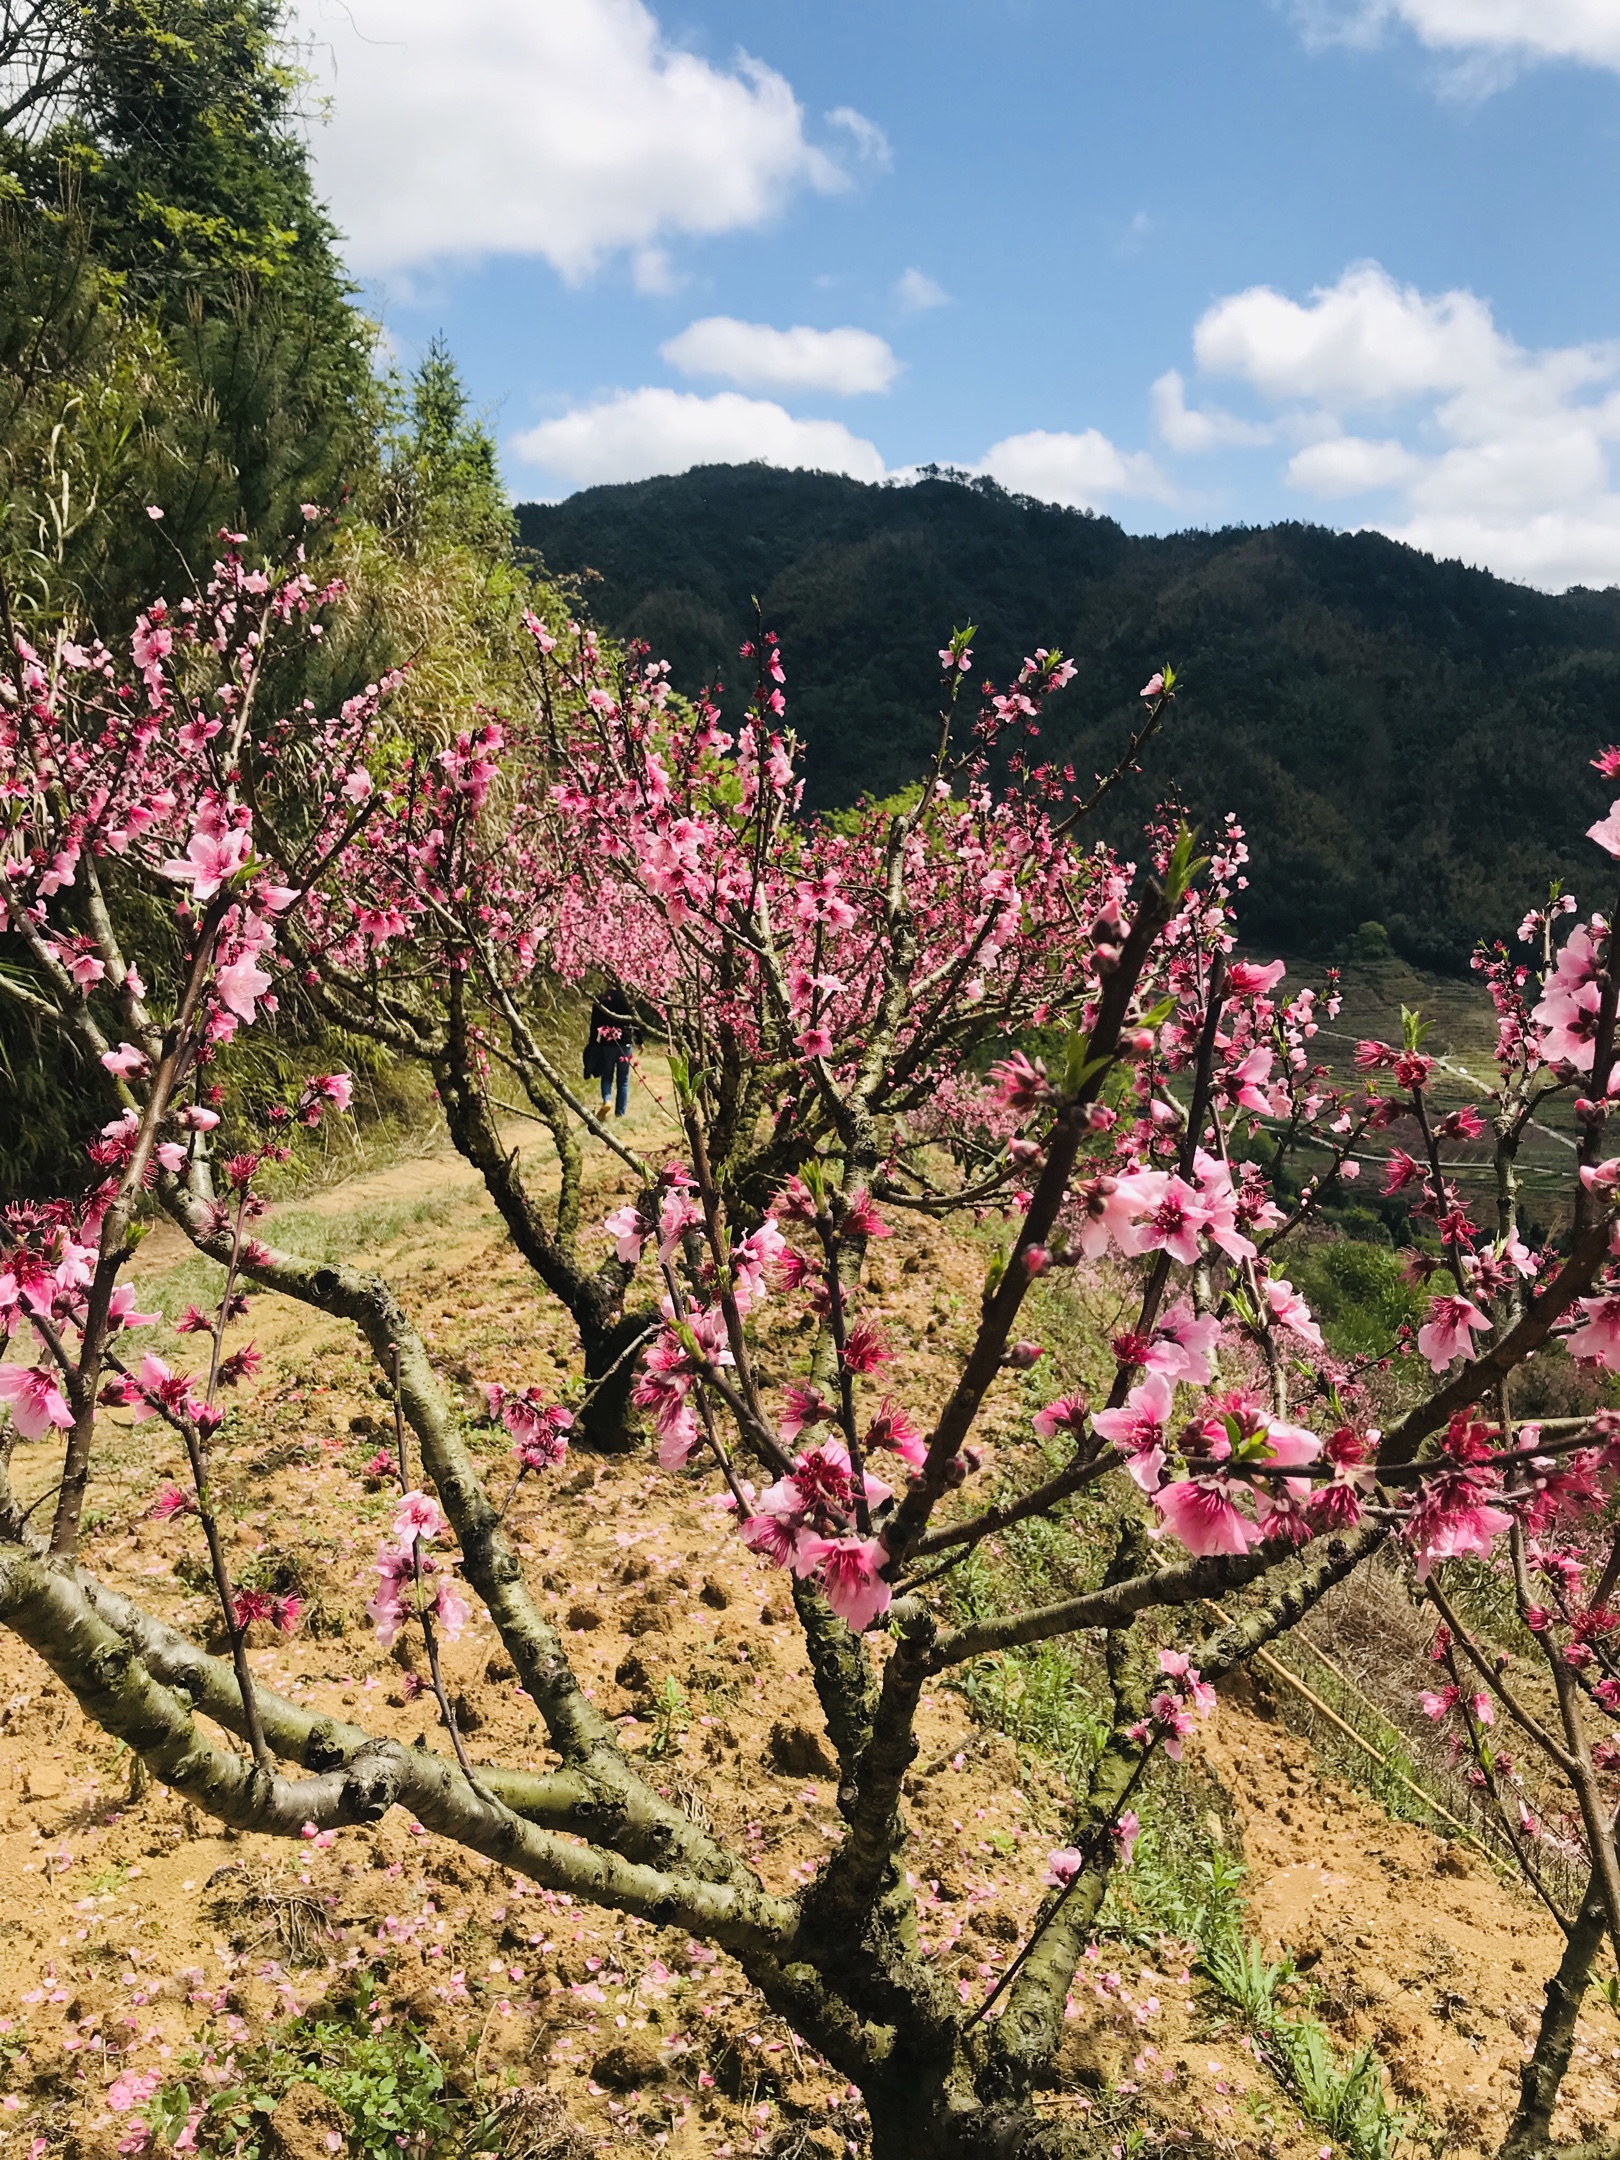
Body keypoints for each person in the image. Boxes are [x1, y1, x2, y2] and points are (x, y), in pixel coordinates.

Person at [585, 982, 638, 1118]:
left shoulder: (601, 999)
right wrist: (639, 1040)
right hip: (625, 1043)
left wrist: (592, 1042)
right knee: (623, 1080)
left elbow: (594, 1023)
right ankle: (620, 1113)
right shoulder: (627, 998)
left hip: (606, 1043)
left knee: (607, 1076)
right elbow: (635, 1020)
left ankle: (607, 1101)